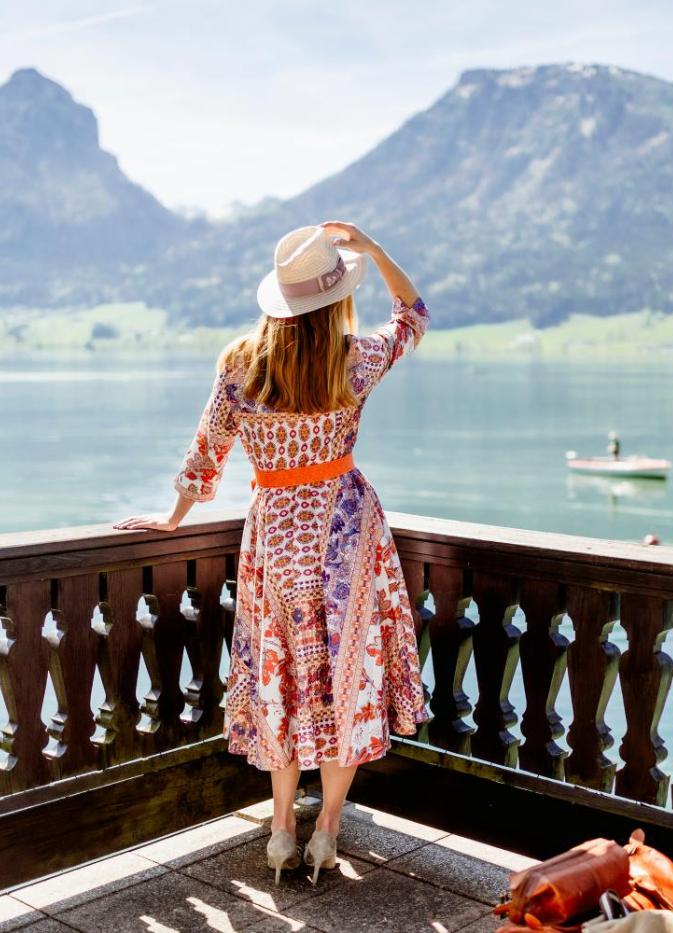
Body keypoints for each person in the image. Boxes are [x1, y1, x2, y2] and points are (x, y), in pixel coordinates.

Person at [114, 221, 431, 886]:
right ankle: (327, 829)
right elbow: (414, 316)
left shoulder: (241, 363)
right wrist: (374, 249)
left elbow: (206, 452)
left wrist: (172, 519)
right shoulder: (355, 358)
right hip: (346, 531)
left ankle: (282, 827)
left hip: (274, 536)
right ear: (334, 298)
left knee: (279, 675)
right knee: (345, 678)